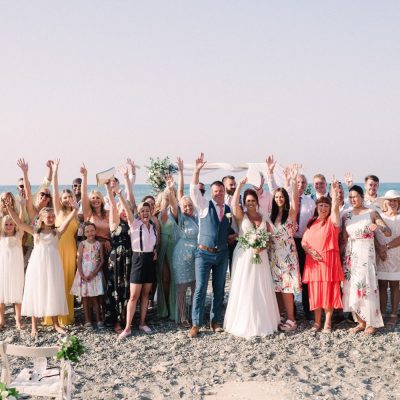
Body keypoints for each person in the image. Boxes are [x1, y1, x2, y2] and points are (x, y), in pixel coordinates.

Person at [6, 204, 77, 337]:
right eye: (48, 217)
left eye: (52, 216)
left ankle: (56, 324)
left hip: (53, 266)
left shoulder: (57, 232)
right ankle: (34, 326)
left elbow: (67, 221)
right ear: (42, 218)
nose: (51, 219)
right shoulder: (35, 231)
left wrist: (75, 210)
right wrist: (10, 209)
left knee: (53, 291)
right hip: (37, 266)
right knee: (36, 291)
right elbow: (19, 223)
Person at [224, 178, 280, 338]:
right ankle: (243, 321)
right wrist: (240, 186)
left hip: (260, 255)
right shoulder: (242, 216)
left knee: (261, 287)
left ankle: (263, 321)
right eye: (247, 201)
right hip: (244, 256)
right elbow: (234, 205)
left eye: (253, 200)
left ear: (257, 202)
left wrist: (261, 246)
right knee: (246, 286)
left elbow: (269, 238)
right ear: (244, 202)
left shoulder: (264, 217)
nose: (250, 203)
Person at [188, 153, 231, 338]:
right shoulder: (204, 205)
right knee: (200, 289)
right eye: (215, 191)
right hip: (203, 254)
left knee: (220, 289)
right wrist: (196, 171)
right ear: (211, 193)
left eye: (221, 190)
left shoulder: (229, 210)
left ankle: (215, 322)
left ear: (224, 192)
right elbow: (193, 191)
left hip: (222, 255)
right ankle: (196, 324)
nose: (218, 193)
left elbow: (234, 229)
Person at [341, 185, 391, 335]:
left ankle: (372, 322)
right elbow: (344, 237)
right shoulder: (347, 215)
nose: (353, 199)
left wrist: (379, 228)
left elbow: (388, 232)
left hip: (366, 255)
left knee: (367, 285)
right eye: (350, 197)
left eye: (355, 196)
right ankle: (360, 322)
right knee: (352, 287)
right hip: (351, 255)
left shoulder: (372, 213)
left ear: (362, 197)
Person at [301, 180, 344, 333]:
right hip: (313, 263)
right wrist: (309, 251)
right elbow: (304, 242)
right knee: (316, 292)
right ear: (316, 207)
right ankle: (317, 322)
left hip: (328, 262)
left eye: (326, 206)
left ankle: (327, 323)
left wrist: (333, 193)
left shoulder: (332, 222)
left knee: (329, 291)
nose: (324, 208)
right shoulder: (311, 222)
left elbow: (336, 211)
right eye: (321, 205)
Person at [44, 159, 78, 326]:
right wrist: (55, 171)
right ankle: (53, 317)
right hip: (56, 249)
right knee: (55, 282)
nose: (66, 199)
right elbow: (55, 189)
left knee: (69, 282)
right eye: (64, 197)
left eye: (69, 197)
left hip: (71, 250)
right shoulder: (57, 211)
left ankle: (67, 316)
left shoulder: (77, 214)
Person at [118, 198, 158, 339]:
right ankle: (128, 327)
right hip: (138, 260)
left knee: (146, 294)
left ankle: (142, 323)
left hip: (149, 261)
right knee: (134, 296)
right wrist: (119, 193)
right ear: (138, 213)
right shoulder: (134, 224)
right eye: (142, 211)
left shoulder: (153, 226)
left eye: (147, 210)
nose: (145, 213)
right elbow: (128, 211)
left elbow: (153, 243)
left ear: (151, 212)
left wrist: (155, 251)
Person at [269, 166, 302, 331]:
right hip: (274, 255)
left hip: (288, 254)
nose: (279, 199)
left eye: (281, 196)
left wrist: (294, 181)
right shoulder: (272, 216)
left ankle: (292, 319)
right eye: (276, 196)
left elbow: (295, 199)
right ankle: (281, 315)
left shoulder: (291, 213)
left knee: (287, 287)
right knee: (277, 287)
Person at [167, 164, 198, 328]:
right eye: (185, 206)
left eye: (190, 205)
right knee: (181, 288)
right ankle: (183, 317)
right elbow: (174, 202)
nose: (188, 208)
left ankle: (194, 316)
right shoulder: (180, 218)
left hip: (196, 256)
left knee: (195, 287)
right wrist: (172, 189)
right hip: (181, 256)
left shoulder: (196, 218)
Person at [104, 177, 133, 333]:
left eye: (126, 209)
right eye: (121, 209)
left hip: (130, 258)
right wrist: (111, 189)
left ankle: (126, 319)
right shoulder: (114, 222)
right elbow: (114, 206)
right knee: (115, 289)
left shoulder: (133, 223)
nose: (123, 211)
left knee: (128, 290)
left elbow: (130, 204)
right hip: (117, 259)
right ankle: (115, 322)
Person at [70, 222, 105, 329]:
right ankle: (87, 320)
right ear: (84, 233)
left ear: (95, 231)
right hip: (84, 273)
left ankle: (98, 319)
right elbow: (79, 260)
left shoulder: (99, 244)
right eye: (87, 231)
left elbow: (102, 260)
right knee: (85, 298)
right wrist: (81, 274)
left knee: (95, 297)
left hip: (95, 273)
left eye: (92, 230)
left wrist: (94, 273)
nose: (90, 233)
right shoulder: (82, 244)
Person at [374, 190, 400, 327]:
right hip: (381, 255)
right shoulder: (380, 217)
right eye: (390, 200)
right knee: (382, 284)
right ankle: (383, 313)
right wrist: (379, 249)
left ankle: (394, 314)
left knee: (395, 285)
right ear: (385, 202)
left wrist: (387, 247)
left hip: (396, 255)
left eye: (395, 200)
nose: (392, 203)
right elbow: (374, 236)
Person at [293, 174, 315, 320]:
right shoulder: (288, 198)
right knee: (291, 276)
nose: (300, 184)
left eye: (303, 182)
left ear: (307, 185)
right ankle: (292, 310)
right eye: (298, 182)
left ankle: (308, 309)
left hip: (305, 243)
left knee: (306, 277)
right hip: (290, 243)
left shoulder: (310, 202)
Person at [0, 215, 24, 330]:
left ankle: (18, 320)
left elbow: (21, 222)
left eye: (11, 224)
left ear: (15, 226)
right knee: (1, 295)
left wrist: (22, 207)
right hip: (3, 269)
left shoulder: (18, 236)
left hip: (16, 269)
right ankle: (2, 319)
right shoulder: (0, 237)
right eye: (6, 224)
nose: (9, 226)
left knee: (17, 294)